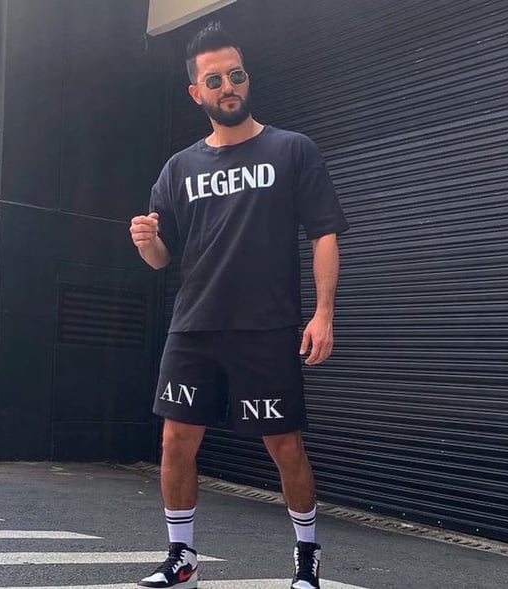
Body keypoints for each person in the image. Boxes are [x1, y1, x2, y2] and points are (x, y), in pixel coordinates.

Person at [129, 21, 348, 589]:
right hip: (194, 327)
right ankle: (181, 556)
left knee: (285, 446)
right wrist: (147, 242)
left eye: (236, 74)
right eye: (215, 79)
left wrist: (323, 314)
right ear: (195, 93)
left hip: (266, 327)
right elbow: (161, 258)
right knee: (175, 441)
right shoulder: (178, 169)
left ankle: (307, 556)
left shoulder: (292, 150)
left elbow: (324, 234)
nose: (228, 86)